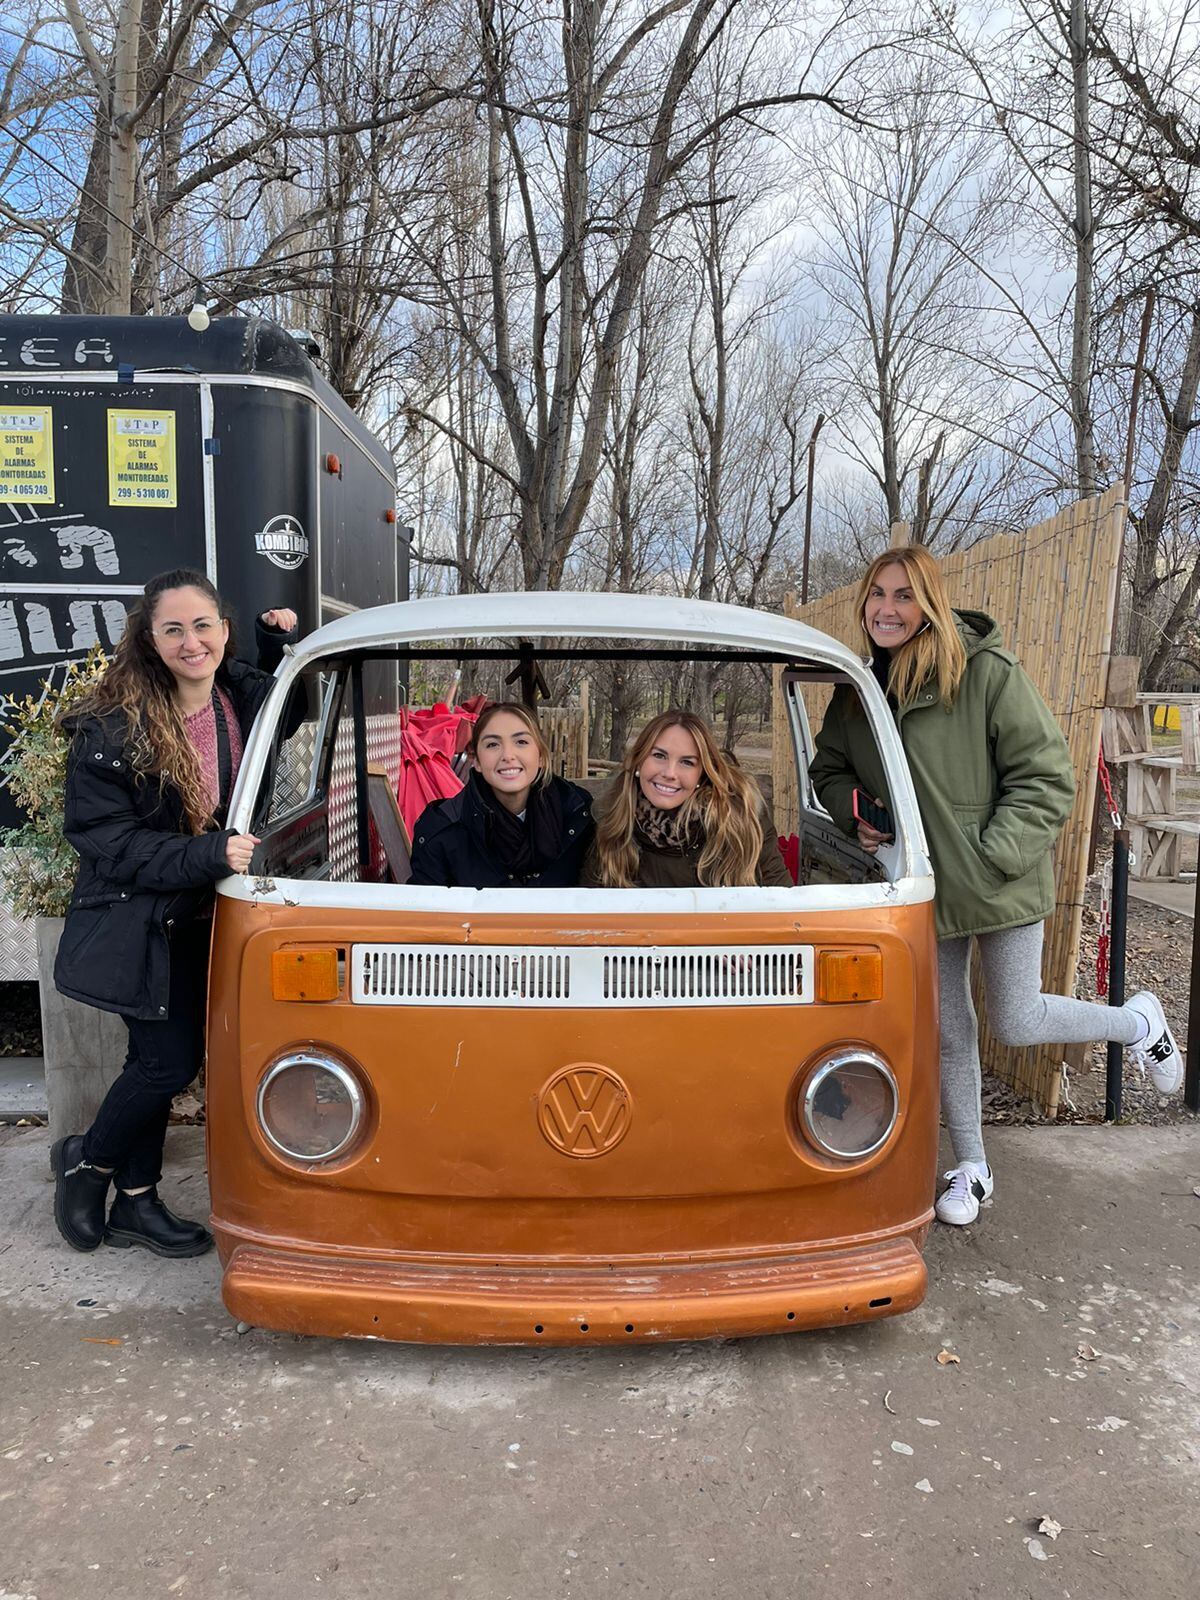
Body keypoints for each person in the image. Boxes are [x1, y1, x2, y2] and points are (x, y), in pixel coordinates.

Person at [809, 545, 1184, 1226]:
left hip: (998, 880)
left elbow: (1047, 778)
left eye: (903, 595)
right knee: (949, 1031)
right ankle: (973, 1169)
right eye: (877, 595)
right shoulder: (858, 693)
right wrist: (857, 810)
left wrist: (990, 853)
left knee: (1016, 1019)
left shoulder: (983, 673)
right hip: (924, 888)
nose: (887, 609)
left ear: (929, 604)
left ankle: (1139, 1023)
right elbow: (828, 769)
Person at [51, 568, 298, 1258]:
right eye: (173, 629)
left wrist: (274, 648)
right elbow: (112, 844)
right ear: (150, 640)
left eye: (203, 626)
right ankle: (87, 1164)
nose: (191, 642)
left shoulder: (241, 696)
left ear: (222, 629)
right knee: (166, 1062)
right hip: (139, 918)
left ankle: (135, 1201)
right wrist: (211, 854)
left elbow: (296, 705)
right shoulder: (111, 729)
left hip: (207, 916)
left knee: (155, 1058)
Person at [582, 709, 790, 887]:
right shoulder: (611, 824)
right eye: (659, 756)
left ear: (703, 773)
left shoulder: (742, 821)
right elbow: (590, 915)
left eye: (687, 762)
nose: (670, 773)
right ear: (638, 762)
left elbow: (784, 904)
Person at [409, 702, 593, 887]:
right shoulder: (442, 829)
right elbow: (426, 910)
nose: (508, 755)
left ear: (541, 757)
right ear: (477, 761)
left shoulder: (578, 816)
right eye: (492, 744)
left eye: (521, 742)